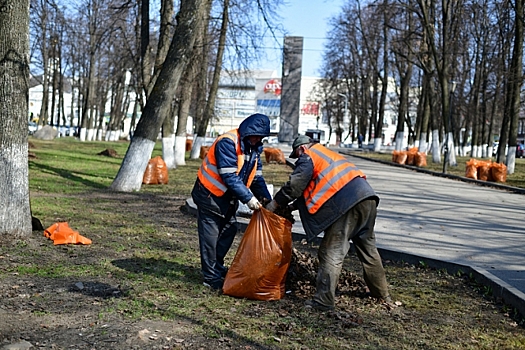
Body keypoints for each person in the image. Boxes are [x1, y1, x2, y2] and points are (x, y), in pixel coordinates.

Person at [265, 135, 390, 311]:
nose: (298, 157)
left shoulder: (308, 156)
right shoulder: (327, 154)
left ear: (301, 149)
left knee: (331, 252)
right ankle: (382, 294)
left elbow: (296, 184)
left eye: (297, 154)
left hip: (347, 204)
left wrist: (275, 203)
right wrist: (293, 206)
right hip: (367, 198)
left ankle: (323, 301)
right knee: (368, 250)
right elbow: (319, 184)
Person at [191, 113, 272, 290]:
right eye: (256, 135)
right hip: (209, 195)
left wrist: (268, 201)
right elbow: (228, 175)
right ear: (248, 131)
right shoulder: (228, 142)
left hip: (227, 198)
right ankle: (210, 277)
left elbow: (257, 179)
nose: (258, 139)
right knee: (210, 238)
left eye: (261, 137)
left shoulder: (254, 148)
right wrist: (249, 199)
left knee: (229, 229)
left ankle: (216, 268)